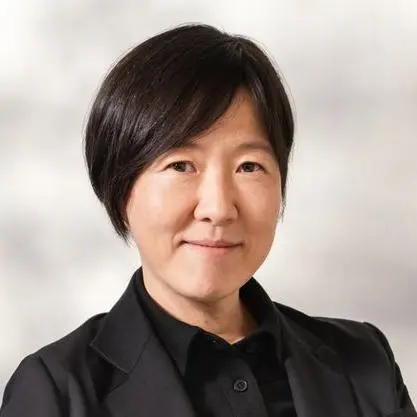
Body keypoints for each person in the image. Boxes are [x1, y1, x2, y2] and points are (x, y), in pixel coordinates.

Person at [0, 23, 415, 417]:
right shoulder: (57, 392)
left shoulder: (365, 364)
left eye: (249, 166)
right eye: (181, 165)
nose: (218, 208)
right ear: (121, 187)